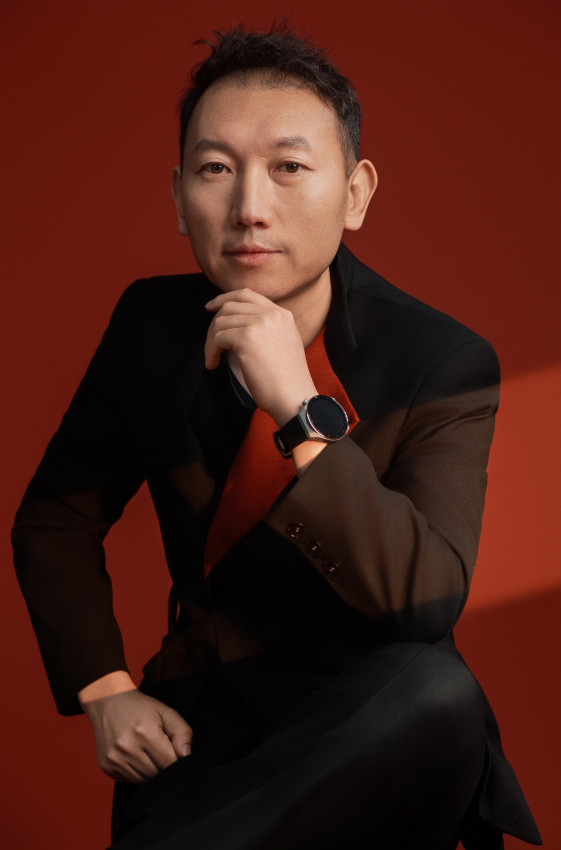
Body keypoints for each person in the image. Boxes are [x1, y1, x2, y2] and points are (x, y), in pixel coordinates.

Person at [11, 21, 542, 850]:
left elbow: (424, 597)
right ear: (177, 195)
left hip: (375, 729)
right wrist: (104, 689)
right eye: (215, 170)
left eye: (288, 167)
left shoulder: (440, 359)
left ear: (356, 193)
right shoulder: (149, 325)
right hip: (202, 731)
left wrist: (298, 405)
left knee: (436, 687)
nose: (249, 209)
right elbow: (55, 518)